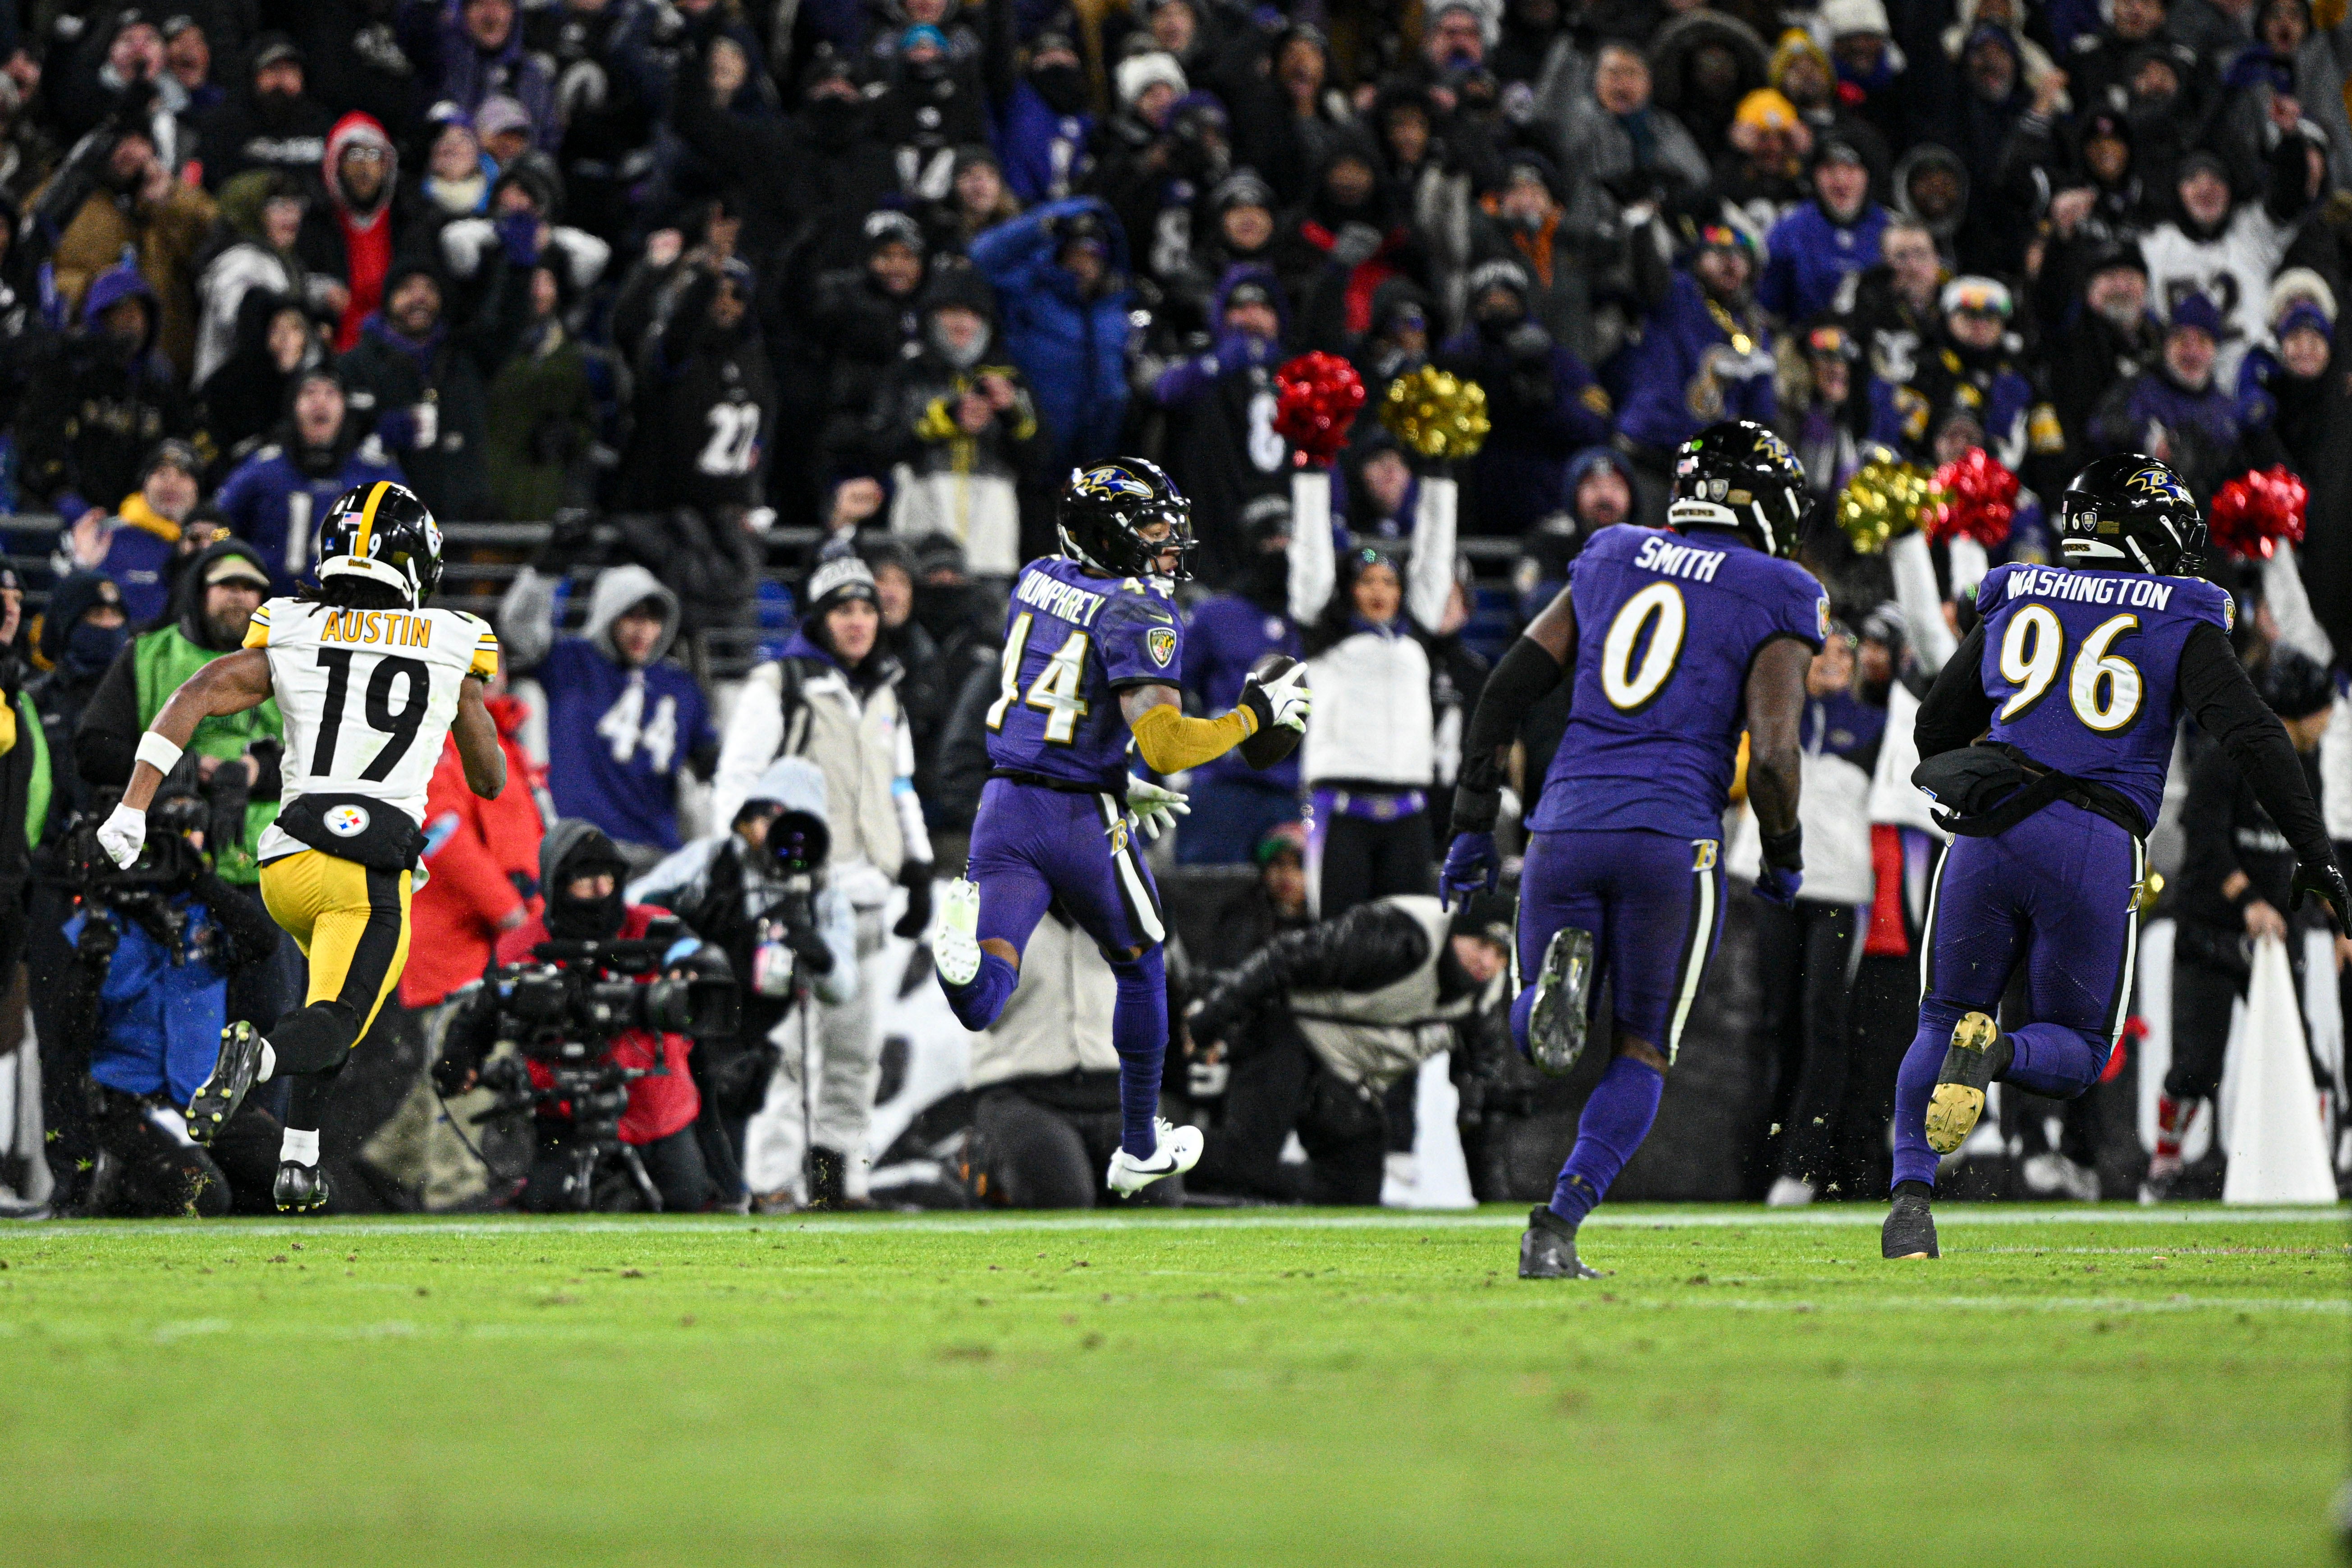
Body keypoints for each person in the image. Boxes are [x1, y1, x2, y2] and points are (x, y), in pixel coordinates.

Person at [1886, 455, 2348, 1259]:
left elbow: (1934, 726)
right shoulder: (2180, 610)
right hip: (2091, 840)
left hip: (1986, 828)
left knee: (1936, 1014)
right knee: (2076, 1050)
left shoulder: (2018, 588)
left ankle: (1909, 1203)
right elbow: (2252, 735)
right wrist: (2316, 852)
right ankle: (1996, 1050)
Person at [1439, 420, 1824, 1278]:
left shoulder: (1612, 551)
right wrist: (1784, 846)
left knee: (1537, 1025)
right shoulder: (1779, 586)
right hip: (1669, 838)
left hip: (1562, 823)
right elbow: (1771, 752)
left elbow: (1505, 685)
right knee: (1644, 1047)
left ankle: (1554, 986)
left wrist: (1470, 819)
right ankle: (1557, 1225)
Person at [93, 480, 509, 1213]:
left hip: (286, 857)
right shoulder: (455, 639)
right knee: (333, 1021)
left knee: (323, 1006)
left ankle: (298, 1157)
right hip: (370, 866)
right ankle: (261, 1057)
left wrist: (133, 807)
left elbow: (197, 691)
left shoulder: (291, 622)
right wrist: (466, 702)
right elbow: (489, 778)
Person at [931, 459, 1313, 1196]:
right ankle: (1140, 1141)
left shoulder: (1038, 576)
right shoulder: (1136, 610)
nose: (1170, 541)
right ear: (1109, 533)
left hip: (1005, 803)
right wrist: (1250, 718)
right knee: (1142, 960)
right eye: (1152, 527)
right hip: (1078, 816)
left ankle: (959, 965)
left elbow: (1059, 701)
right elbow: (1168, 743)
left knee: (987, 992)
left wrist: (1118, 776)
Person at [709, 554, 935, 1206]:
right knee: (795, 1053)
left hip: (868, 896)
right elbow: (736, 785)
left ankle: (840, 1183)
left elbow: (899, 786)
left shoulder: (885, 688)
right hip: (802, 898)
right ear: (819, 616)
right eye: (844, 609)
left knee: (854, 1058)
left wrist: (916, 866)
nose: (859, 621)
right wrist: (762, 876)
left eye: (867, 607)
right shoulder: (779, 684)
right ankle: (775, 1184)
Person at [441, 821, 711, 1212]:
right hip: (563, 1112)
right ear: (557, 886)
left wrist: (685, 971)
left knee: (686, 1202)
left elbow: (697, 960)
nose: (601, 891)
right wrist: (461, 1057)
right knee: (546, 1206)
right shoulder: (521, 947)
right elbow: (480, 1014)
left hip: (657, 1108)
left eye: (607, 877)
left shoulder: (654, 927)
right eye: (585, 881)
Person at [2148, 648, 2339, 1197]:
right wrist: (2251, 901)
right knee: (2194, 1068)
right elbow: (2204, 844)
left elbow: (2310, 845)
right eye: (2324, 711)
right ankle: (2163, 1169)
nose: (2329, 722)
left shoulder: (2309, 765)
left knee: (2302, 1061)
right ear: (2300, 712)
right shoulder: (2227, 753)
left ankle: (2313, 1168)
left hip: (2274, 944)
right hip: (2212, 932)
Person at [629, 756, 860, 1207]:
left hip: (749, 1044)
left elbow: (843, 988)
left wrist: (817, 952)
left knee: (737, 1125)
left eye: (790, 824)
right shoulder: (709, 862)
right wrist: (677, 924)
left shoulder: (821, 893)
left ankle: (758, 1197)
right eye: (765, 817)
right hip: (682, 1028)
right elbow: (633, 908)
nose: (771, 833)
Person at [1186, 891, 1514, 1204]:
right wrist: (1209, 1024)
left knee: (1355, 1189)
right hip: (1288, 1031)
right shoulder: (1401, 936)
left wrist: (1492, 1200)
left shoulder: (1483, 1001)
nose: (1487, 962)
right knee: (1246, 1156)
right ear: (1456, 931)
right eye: (1481, 944)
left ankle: (1249, 1190)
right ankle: (1146, 1155)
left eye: (1500, 954)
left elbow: (1481, 1095)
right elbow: (1286, 957)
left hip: (1346, 1074)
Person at [499, 550, 717, 868]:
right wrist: (541, 577)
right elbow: (518, 631)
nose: (644, 631)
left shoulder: (680, 684)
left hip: (658, 851)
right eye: (633, 616)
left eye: (654, 619)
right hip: (581, 847)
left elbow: (710, 759)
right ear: (608, 613)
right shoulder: (569, 662)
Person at [212, 366, 405, 595]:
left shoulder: (375, 475)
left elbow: (409, 541)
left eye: (331, 394)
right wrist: (236, 560)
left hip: (351, 618)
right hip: (270, 611)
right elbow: (219, 527)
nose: (320, 403)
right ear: (293, 406)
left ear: (345, 407)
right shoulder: (262, 469)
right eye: (310, 393)